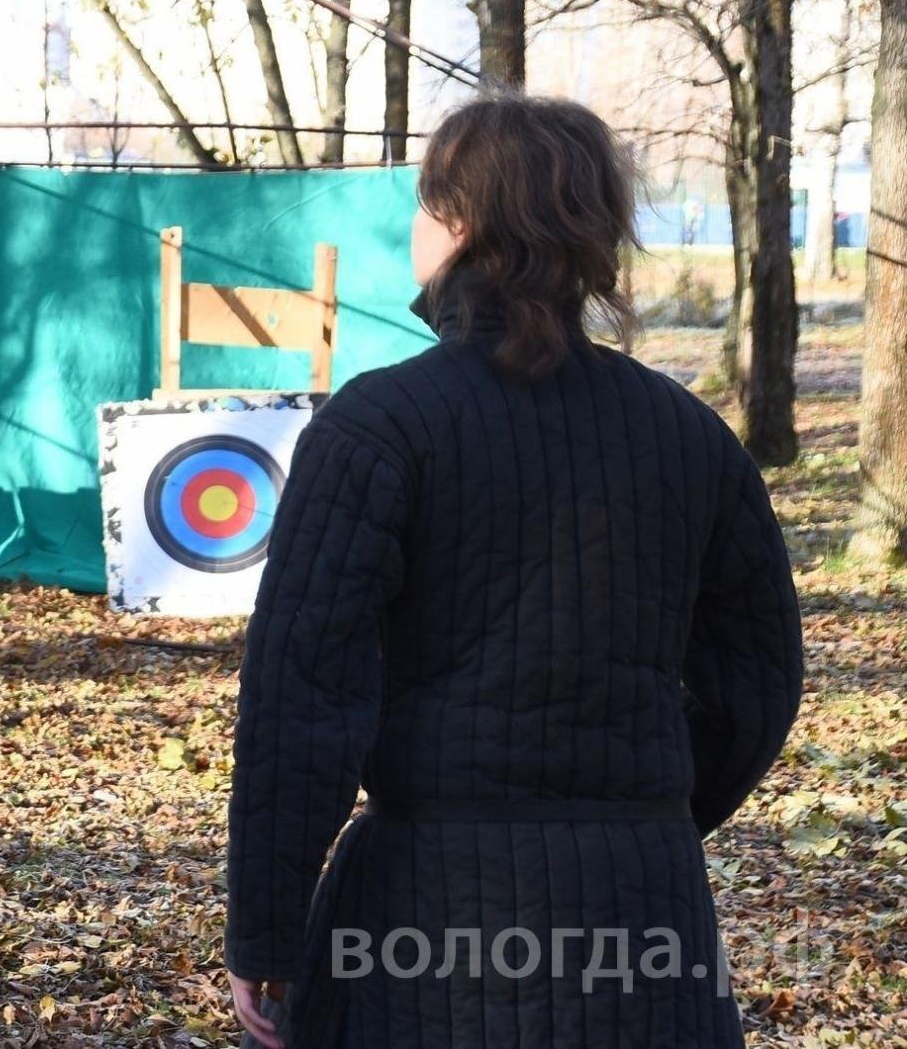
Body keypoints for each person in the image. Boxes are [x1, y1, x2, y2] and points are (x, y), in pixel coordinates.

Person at [224, 96, 803, 1048]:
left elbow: (302, 697)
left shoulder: (380, 426)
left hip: (422, 916)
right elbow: (757, 683)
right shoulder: (691, 436)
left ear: (458, 223)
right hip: (644, 912)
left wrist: (266, 929)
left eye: (424, 201)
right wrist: (633, 813)